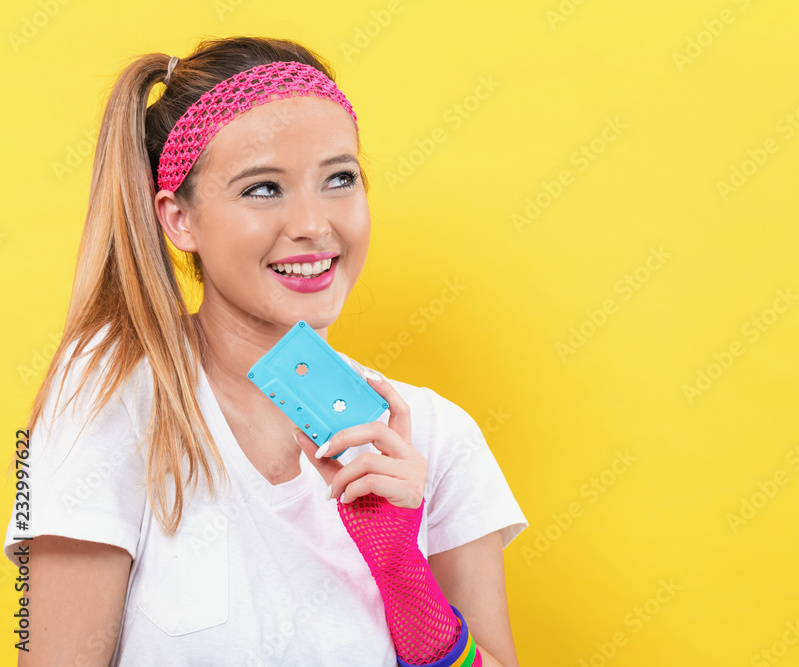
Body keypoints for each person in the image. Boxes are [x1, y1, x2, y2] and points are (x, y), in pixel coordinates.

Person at [4, 36, 527, 666]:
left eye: (339, 179)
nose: (313, 225)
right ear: (179, 219)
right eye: (262, 189)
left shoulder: (440, 438)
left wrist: (403, 576)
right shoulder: (111, 392)